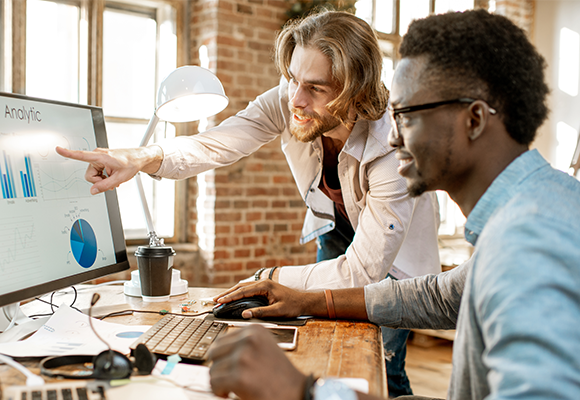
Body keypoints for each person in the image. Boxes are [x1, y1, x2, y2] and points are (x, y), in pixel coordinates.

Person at [57, 10, 441, 396]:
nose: (296, 99)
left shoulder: (393, 144)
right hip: (337, 228)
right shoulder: (290, 97)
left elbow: (363, 273)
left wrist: (268, 279)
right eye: (292, 79)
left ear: (354, 90)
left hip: (393, 258)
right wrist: (141, 158)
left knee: (379, 357)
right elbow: (219, 142)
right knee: (327, 334)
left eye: (316, 88)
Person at [207, 9, 580, 400]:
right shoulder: (530, 210)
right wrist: (308, 299)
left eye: (405, 115)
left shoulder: (533, 242)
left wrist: (302, 391)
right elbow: (440, 295)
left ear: (473, 120)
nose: (393, 139)